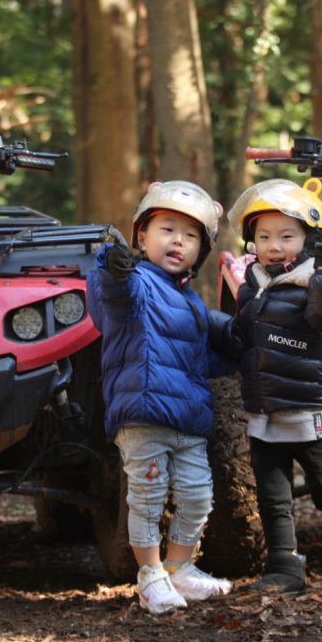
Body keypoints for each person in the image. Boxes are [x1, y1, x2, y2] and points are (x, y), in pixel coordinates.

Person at [217, 177, 322, 607]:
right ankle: (284, 569)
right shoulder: (254, 282)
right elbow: (244, 335)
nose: (274, 246)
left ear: (309, 240)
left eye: (287, 236)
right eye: (264, 236)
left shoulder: (321, 280)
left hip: (309, 409)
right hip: (265, 410)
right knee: (273, 496)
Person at [87, 180, 235, 615]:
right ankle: (150, 576)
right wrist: (113, 266)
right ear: (141, 236)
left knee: (198, 496)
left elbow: (198, 359)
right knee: (148, 497)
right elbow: (114, 297)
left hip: (188, 419)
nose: (178, 241)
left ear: (201, 251)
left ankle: (179, 568)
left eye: (190, 236)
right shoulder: (135, 283)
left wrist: (240, 349)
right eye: (167, 229)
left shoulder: (190, 301)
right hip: (144, 413)